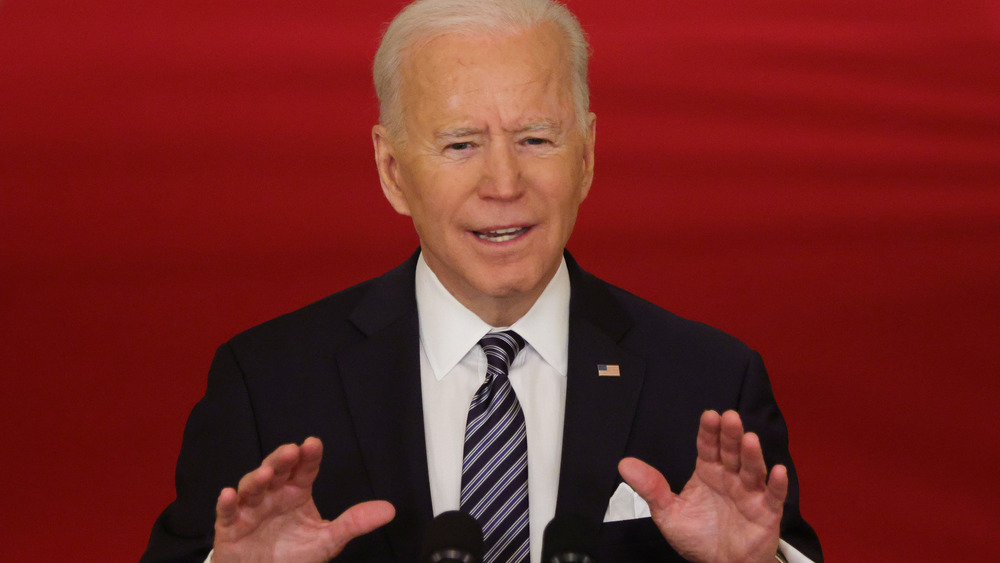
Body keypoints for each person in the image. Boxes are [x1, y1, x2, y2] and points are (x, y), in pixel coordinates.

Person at [141, 0, 822, 561]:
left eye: (536, 139)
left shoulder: (709, 384)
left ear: (585, 156)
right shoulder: (268, 386)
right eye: (461, 143)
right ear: (392, 169)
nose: (504, 184)